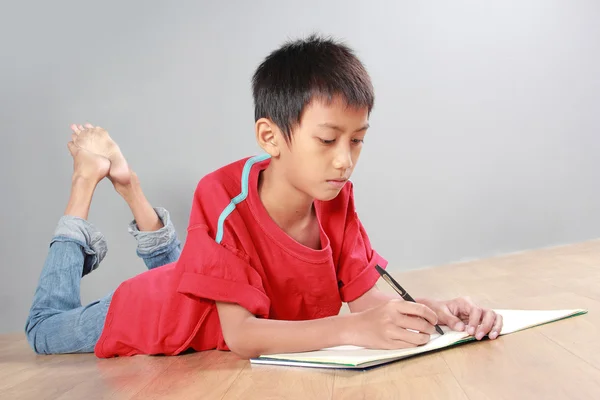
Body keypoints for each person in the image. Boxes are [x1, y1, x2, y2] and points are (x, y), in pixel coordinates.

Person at [25, 34, 502, 358]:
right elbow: (242, 334)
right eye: (327, 139)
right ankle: (87, 180)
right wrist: (353, 330)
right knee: (44, 329)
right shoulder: (220, 194)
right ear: (270, 137)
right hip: (158, 313)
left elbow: (369, 300)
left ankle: (130, 186)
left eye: (357, 140)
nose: (345, 160)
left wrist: (435, 311)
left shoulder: (335, 199)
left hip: (204, 277)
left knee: (193, 265)